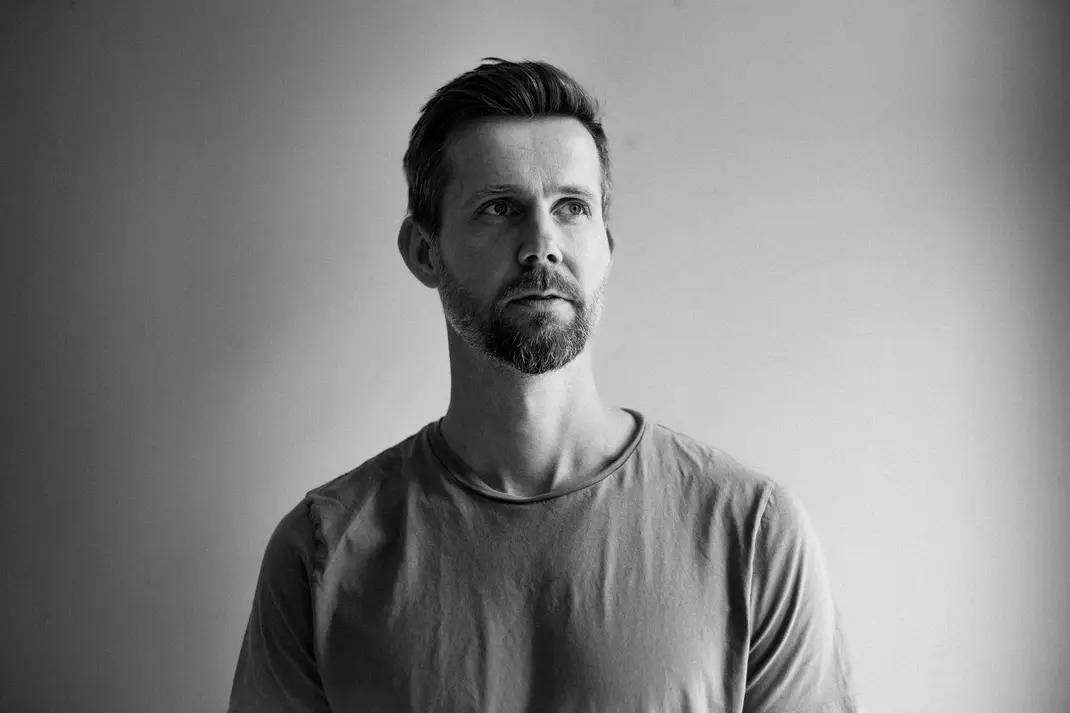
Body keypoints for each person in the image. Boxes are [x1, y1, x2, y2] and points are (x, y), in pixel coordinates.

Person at [228, 57, 858, 713]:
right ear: (424, 252)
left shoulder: (751, 534)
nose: (541, 244)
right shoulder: (321, 552)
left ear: (605, 244)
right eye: (499, 208)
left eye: (572, 207)